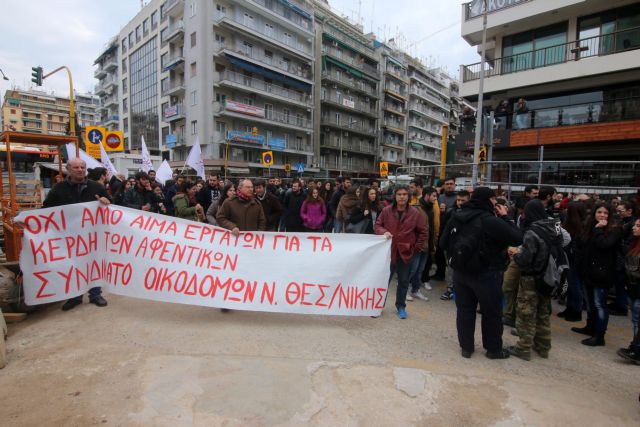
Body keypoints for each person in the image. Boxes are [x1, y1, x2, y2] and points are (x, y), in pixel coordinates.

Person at [440, 187, 523, 359]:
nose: (496, 203)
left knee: (464, 310)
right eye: (494, 200)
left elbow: (443, 242)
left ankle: (466, 347)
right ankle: (493, 349)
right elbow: (517, 238)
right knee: (491, 312)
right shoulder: (490, 221)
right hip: (487, 273)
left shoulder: (457, 215)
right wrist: (506, 217)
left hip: (461, 273)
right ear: (488, 200)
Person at [42, 158, 111, 311]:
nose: (80, 170)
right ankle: (75, 296)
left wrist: (106, 200)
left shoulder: (96, 187)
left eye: (82, 167)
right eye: (76, 167)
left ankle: (95, 294)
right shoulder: (58, 189)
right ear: (69, 169)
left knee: (93, 263)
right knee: (73, 265)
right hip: (69, 236)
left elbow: (110, 203)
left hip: (92, 235)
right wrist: (28, 221)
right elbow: (46, 209)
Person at [509, 199, 567, 361]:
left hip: (531, 277)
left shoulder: (532, 232)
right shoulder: (554, 227)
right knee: (543, 312)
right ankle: (543, 346)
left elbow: (526, 259)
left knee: (526, 312)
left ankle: (523, 347)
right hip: (549, 277)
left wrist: (515, 253)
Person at [572, 203, 622, 346]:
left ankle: (599, 335)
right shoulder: (589, 227)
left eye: (605, 213)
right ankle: (590, 327)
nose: (602, 215)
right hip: (587, 272)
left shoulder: (614, 230)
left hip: (603, 273)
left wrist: (599, 230)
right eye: (599, 212)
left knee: (600, 304)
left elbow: (604, 245)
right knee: (590, 304)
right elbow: (582, 245)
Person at [375, 185, 427, 319]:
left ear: (408, 196)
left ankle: (401, 306)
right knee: (384, 280)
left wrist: (416, 247)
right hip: (388, 251)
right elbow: (377, 225)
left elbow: (423, 231)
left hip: (406, 252)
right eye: (399, 194)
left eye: (404, 194)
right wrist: (384, 232)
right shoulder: (386, 211)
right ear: (395, 196)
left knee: (404, 281)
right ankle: (378, 306)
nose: (402, 196)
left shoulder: (415, 213)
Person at [559, 202, 588, 322]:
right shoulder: (576, 226)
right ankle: (570, 308)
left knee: (575, 286)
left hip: (575, 260)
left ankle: (576, 310)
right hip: (571, 258)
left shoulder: (580, 227)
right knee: (571, 285)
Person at [440, 190, 470, 299]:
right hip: (451, 247)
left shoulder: (472, 214)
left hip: (464, 248)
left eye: (463, 200)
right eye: (458, 200)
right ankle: (450, 289)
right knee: (450, 268)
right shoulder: (451, 212)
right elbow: (445, 228)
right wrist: (443, 243)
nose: (460, 202)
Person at [617, 218, 640, 364]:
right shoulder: (634, 243)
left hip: (638, 290)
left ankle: (637, 350)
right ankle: (635, 347)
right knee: (636, 320)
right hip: (633, 288)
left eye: (638, 226)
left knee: (637, 320)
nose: (634, 228)